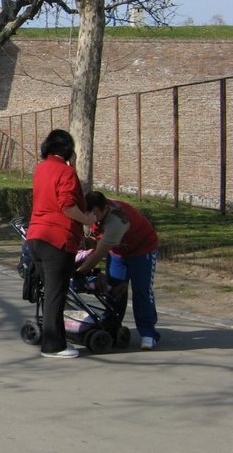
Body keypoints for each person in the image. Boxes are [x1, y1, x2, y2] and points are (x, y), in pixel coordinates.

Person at [26, 129, 95, 359]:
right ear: (68, 149)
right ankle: (53, 345)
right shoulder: (65, 172)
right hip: (57, 239)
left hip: (36, 235)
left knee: (51, 293)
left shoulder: (41, 168)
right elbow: (67, 204)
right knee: (57, 294)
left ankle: (54, 339)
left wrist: (71, 167)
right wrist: (87, 220)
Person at [77, 191, 161, 349]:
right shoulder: (92, 211)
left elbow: (98, 254)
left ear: (104, 209)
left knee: (141, 289)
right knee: (114, 288)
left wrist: (79, 272)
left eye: (94, 213)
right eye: (87, 212)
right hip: (117, 251)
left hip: (142, 250)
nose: (90, 216)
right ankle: (112, 326)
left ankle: (148, 333)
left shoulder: (117, 221)